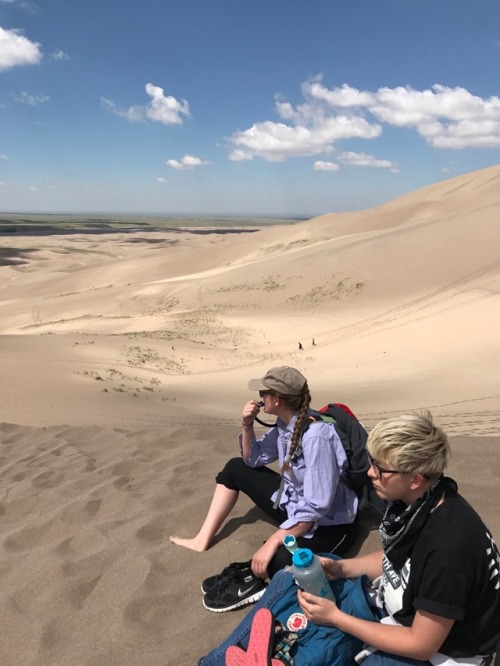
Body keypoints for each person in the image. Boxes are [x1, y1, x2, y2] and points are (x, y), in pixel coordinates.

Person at [296, 411, 500, 666]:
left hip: (448, 651)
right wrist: (341, 568)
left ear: (415, 479)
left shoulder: (448, 550)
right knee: (309, 578)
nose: (370, 473)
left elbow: (421, 645)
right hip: (409, 607)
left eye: (380, 469)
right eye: (372, 462)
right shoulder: (426, 499)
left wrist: (336, 618)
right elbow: (398, 559)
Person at [170, 366, 360, 611]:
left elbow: (317, 507)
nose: (260, 397)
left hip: (332, 525)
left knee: (278, 560)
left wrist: (272, 541)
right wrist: (247, 425)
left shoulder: (316, 437)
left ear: (277, 399)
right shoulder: (286, 425)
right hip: (296, 509)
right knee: (235, 468)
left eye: (263, 392)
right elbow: (252, 459)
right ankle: (201, 539)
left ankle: (258, 582)